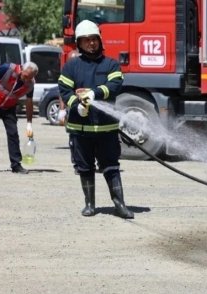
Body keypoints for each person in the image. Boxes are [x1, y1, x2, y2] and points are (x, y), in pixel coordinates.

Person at [58, 20, 134, 219]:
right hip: (80, 129)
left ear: (99, 40)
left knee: (111, 166)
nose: (91, 43)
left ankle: (120, 204)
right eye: (86, 40)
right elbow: (64, 90)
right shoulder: (71, 66)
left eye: (94, 39)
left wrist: (95, 94)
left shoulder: (111, 64)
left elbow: (116, 84)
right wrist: (77, 105)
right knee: (85, 167)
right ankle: (90, 205)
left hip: (106, 128)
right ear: (79, 43)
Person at [0, 62, 38, 174]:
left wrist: (29, 122)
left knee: (13, 134)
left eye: (29, 78)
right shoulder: (7, 69)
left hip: (8, 107)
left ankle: (16, 165)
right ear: (21, 69)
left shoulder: (30, 84)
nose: (26, 80)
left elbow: (29, 102)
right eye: (25, 76)